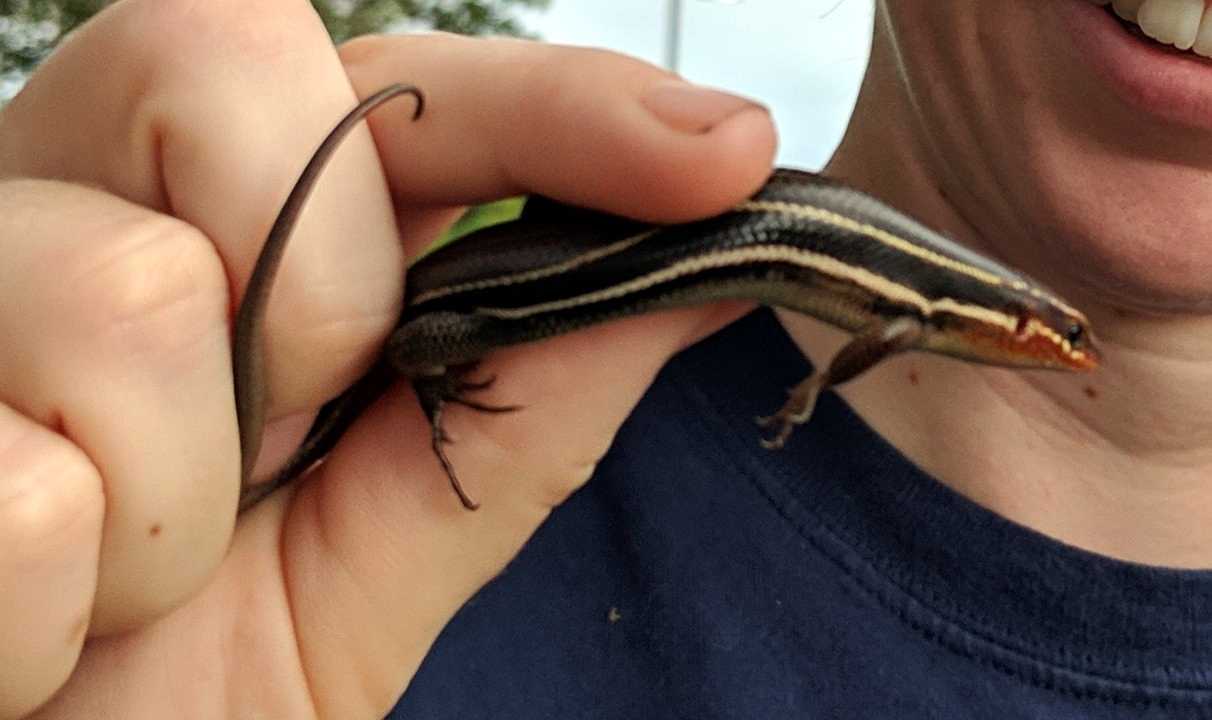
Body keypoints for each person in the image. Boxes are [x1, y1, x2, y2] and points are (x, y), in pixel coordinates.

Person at [3, 1, 1208, 717]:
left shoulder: (903, 300)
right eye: (1055, 338)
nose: (1060, 352)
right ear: (1014, 325)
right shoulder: (347, 558)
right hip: (457, 328)